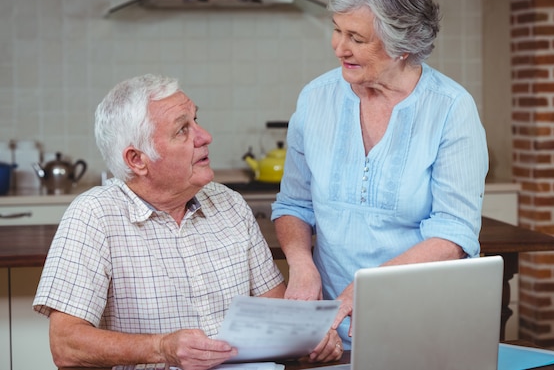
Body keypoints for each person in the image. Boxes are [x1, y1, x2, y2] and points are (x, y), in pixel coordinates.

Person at [33, 74, 343, 370]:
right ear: (137, 160)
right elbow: (66, 344)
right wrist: (162, 348)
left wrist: (311, 337)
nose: (205, 136)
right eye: (183, 129)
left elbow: (280, 315)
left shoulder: (229, 204)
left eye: (196, 120)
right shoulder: (94, 216)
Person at [271, 0, 489, 349]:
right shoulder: (315, 98)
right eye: (337, 30)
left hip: (419, 324)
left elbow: (453, 233)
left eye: (356, 37)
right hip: (330, 329)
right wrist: (301, 265)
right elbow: (294, 203)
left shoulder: (451, 109)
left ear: (402, 45)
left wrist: (367, 287)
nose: (340, 48)